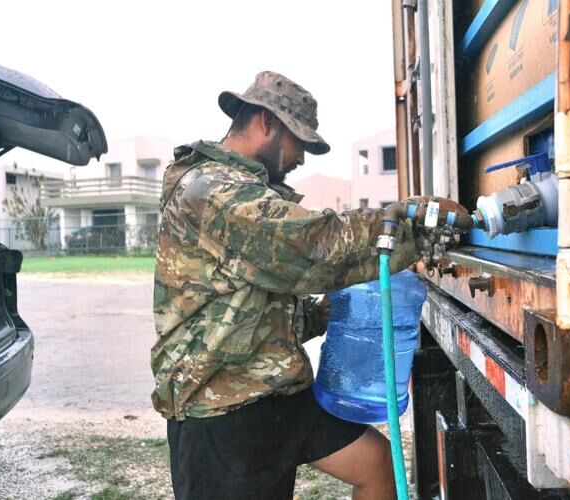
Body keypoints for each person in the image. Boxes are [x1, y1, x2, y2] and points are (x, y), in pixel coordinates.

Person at [152, 71, 462, 499]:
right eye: (300, 142)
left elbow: (255, 301)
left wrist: (321, 314)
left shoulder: (243, 191)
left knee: (377, 466)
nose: (301, 157)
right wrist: (414, 224)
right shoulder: (212, 189)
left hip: (273, 394)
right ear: (267, 122)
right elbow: (311, 246)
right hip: (220, 409)